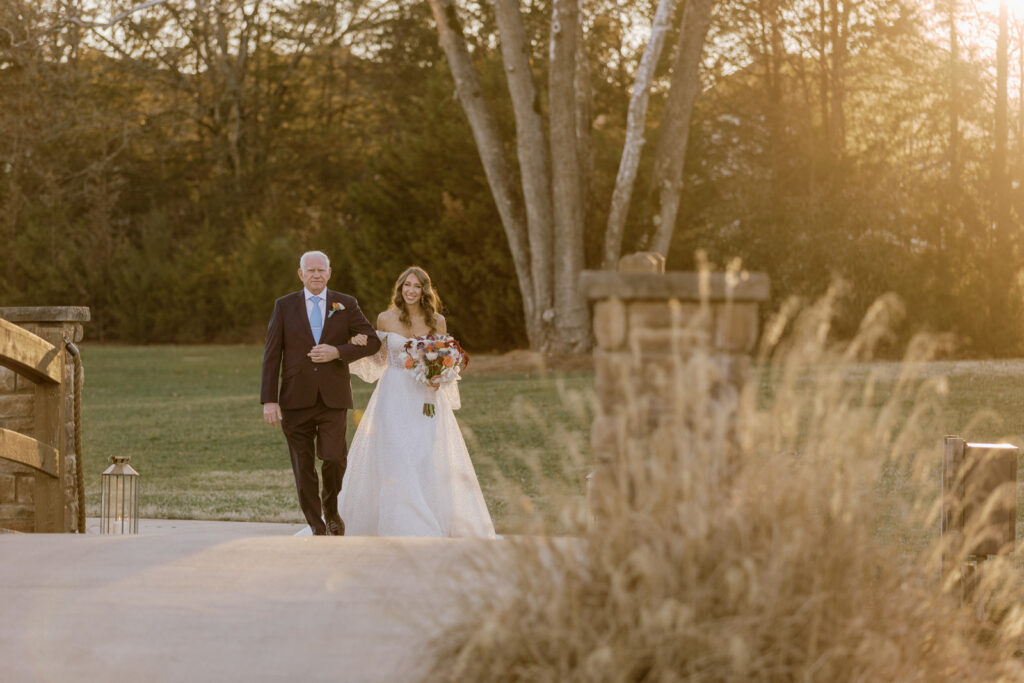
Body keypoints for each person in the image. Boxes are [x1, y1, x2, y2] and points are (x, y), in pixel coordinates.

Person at [336, 266, 495, 538]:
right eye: (406, 285)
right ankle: (401, 524)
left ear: (424, 290)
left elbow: (447, 358)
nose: (410, 290)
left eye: (416, 286)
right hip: (394, 395)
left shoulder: (438, 322)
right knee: (396, 454)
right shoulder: (386, 319)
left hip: (426, 398)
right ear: (400, 288)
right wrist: (360, 343)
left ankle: (428, 515)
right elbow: (379, 359)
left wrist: (440, 377)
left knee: (423, 455)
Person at [261, 250, 381, 536]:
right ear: (301, 274)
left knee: (334, 457)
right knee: (303, 466)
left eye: (321, 270)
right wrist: (269, 399)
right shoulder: (284, 306)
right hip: (294, 398)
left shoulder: (346, 304)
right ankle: (316, 523)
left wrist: (338, 351)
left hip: (333, 397)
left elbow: (373, 342)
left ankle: (332, 512)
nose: (316, 275)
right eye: (310, 270)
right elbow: (271, 354)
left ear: (329, 273)